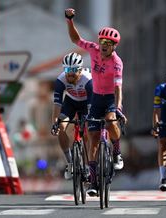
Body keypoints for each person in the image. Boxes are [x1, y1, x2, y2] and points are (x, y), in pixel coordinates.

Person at [65, 8, 128, 196]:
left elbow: (118, 88)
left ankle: (116, 151)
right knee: (91, 140)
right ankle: (93, 182)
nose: (104, 45)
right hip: (95, 98)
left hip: (110, 98)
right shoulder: (93, 50)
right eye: (102, 41)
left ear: (114, 46)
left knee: (111, 122)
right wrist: (69, 21)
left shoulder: (116, 63)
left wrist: (118, 107)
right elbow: (76, 40)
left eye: (108, 43)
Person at [51, 52, 93, 180]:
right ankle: (70, 162)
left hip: (87, 104)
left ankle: (86, 166)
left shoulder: (88, 80)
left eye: (74, 70)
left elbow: (91, 108)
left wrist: (88, 121)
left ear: (80, 70)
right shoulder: (60, 80)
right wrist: (55, 123)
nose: (70, 73)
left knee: (87, 132)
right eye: (68, 69)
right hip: (71, 103)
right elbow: (57, 104)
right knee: (61, 128)